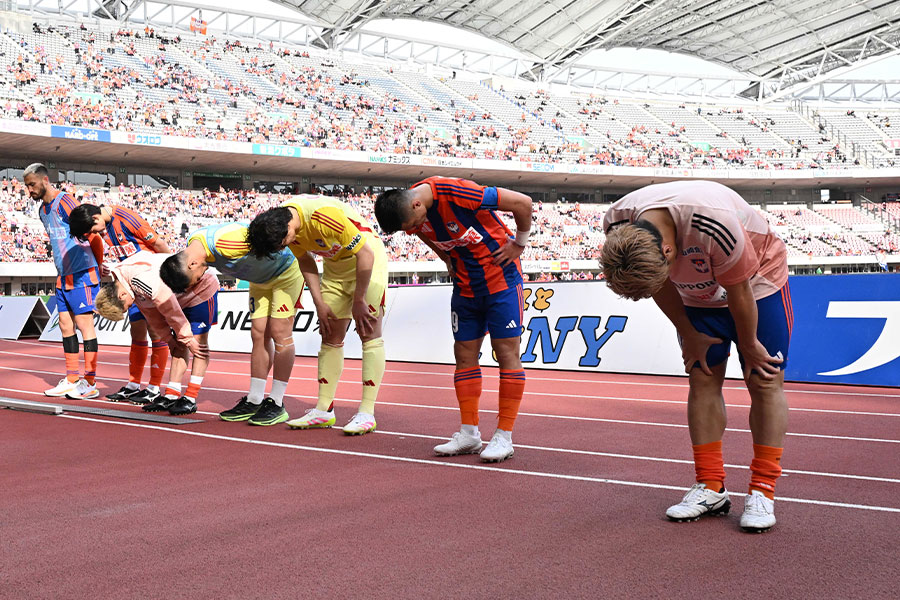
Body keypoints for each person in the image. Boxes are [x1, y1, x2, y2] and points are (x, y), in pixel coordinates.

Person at [600, 180, 791, 533]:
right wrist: (689, 334)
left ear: (670, 252)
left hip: (756, 282)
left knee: (763, 378)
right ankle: (710, 486)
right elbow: (658, 283)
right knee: (702, 374)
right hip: (695, 294)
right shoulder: (617, 224)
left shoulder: (713, 223)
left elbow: (739, 290)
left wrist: (748, 344)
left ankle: (763, 490)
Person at [374, 177, 532, 463]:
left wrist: (519, 244)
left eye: (411, 224)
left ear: (417, 203)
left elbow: (523, 203)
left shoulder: (457, 192)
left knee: (507, 352)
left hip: (501, 281)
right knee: (463, 354)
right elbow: (421, 231)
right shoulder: (413, 211)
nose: (411, 232)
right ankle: (469, 433)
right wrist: (444, 256)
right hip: (465, 286)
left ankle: (504, 436)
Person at [247, 194, 387, 435]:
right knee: (330, 335)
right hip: (335, 270)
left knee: (369, 331)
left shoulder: (323, 217)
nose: (283, 248)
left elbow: (365, 254)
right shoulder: (281, 224)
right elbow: (306, 262)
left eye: (283, 243)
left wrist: (359, 299)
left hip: (367, 262)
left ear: (289, 228)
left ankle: (366, 412)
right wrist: (319, 303)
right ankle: (324, 409)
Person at [160, 222, 303, 426]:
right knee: (259, 334)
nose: (201, 277)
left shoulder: (228, 242)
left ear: (191, 265)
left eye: (196, 279)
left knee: (280, 333)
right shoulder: (194, 244)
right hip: (260, 281)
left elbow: (276, 235)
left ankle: (277, 402)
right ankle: (254, 399)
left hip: (285, 274)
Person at [69, 203, 171, 405]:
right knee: (137, 333)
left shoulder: (127, 218)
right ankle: (134, 384)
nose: (93, 234)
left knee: (155, 332)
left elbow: (161, 246)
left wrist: (168, 276)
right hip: (129, 284)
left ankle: (154, 387)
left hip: (150, 281)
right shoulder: (103, 228)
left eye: (91, 230)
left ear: (96, 219)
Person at [94, 251, 219, 415]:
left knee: (197, 342)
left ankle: (190, 397)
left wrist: (187, 338)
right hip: (180, 293)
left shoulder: (140, 280)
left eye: (126, 307)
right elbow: (152, 316)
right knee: (178, 343)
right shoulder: (128, 286)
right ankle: (172, 394)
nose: (130, 308)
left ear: (121, 295)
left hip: (201, 288)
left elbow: (169, 308)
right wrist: (169, 339)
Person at [25, 163, 103, 400]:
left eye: (32, 185)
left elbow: (94, 233)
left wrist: (97, 268)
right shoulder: (42, 212)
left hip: (83, 275)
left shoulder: (66, 202)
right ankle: (71, 379)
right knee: (66, 327)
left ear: (45, 180)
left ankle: (89, 382)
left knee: (85, 327)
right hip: (63, 277)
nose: (29, 191)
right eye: (27, 186)